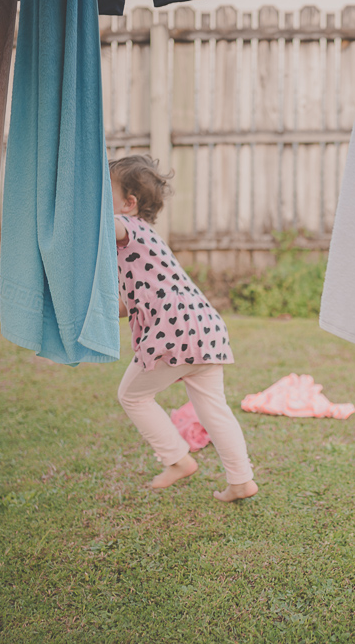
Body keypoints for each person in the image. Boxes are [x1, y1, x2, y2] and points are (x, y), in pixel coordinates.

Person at [110, 155, 258, 502]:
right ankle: (241, 480)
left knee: (132, 395)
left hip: (174, 332)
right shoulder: (148, 237)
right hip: (203, 328)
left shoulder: (124, 227)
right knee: (214, 409)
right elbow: (131, 302)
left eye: (105, 193)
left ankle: (177, 459)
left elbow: (99, 225)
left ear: (129, 204)